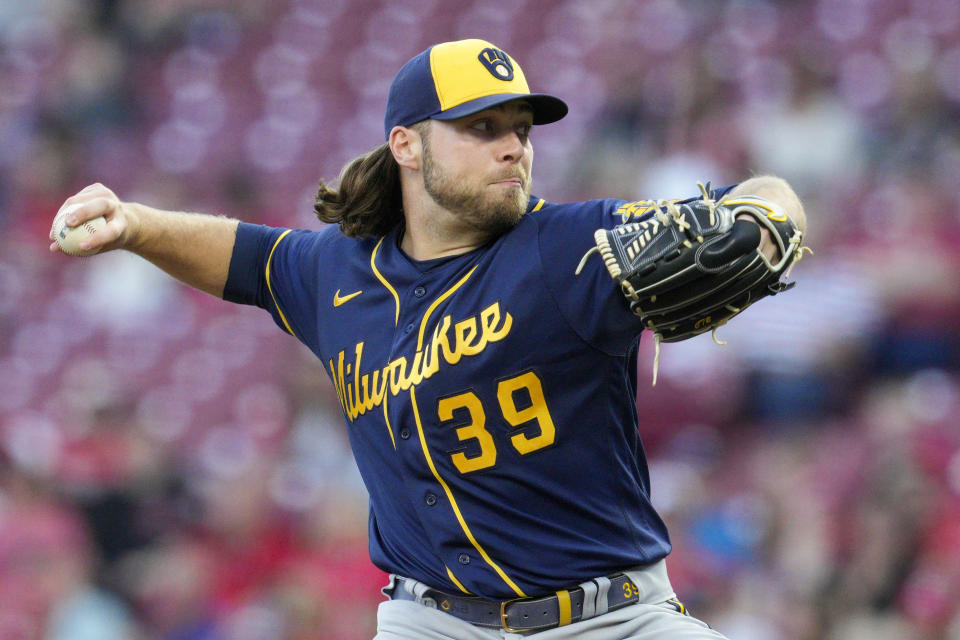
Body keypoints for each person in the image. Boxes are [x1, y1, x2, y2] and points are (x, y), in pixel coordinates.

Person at [50, 39, 806, 639]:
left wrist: (769, 218)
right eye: (481, 128)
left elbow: (760, 200)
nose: (513, 147)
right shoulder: (337, 274)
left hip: (610, 617)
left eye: (519, 129)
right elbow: (247, 257)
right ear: (407, 146)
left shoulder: (570, 247)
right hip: (431, 622)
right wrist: (138, 226)